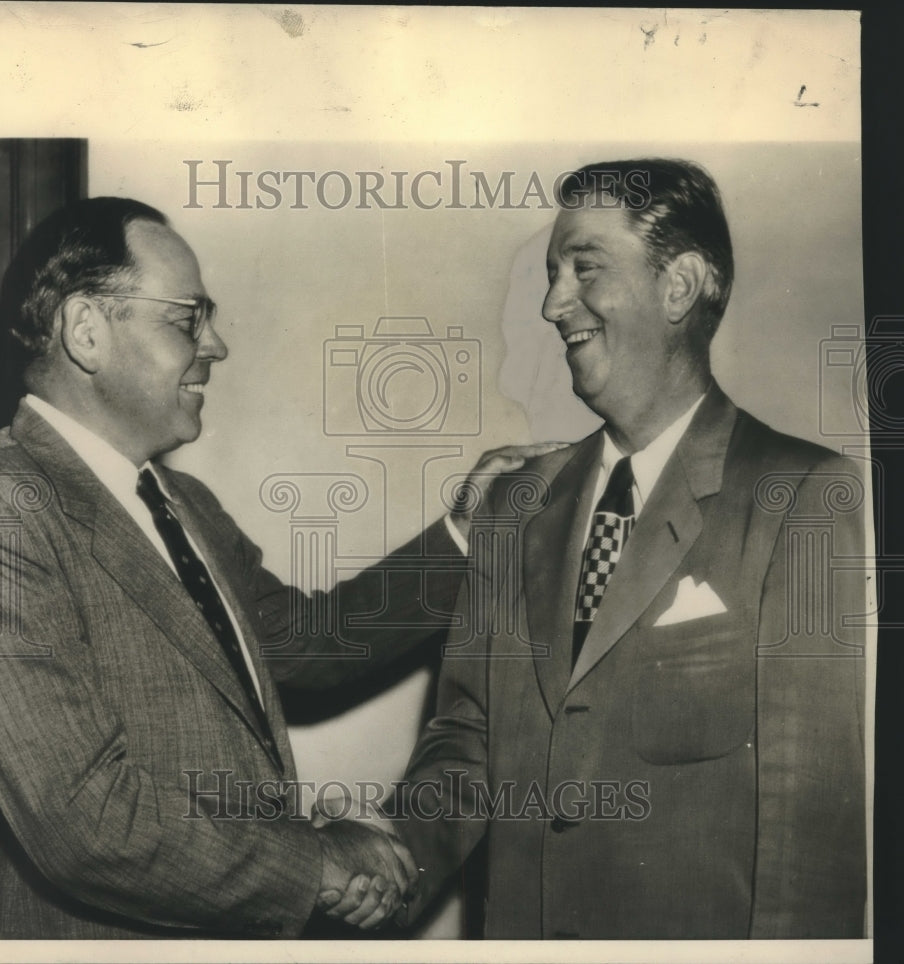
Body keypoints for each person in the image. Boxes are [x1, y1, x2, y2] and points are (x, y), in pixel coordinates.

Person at [0, 196, 556, 939]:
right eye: (186, 318)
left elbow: (306, 642)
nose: (216, 345)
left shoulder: (178, 500)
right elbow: (82, 818)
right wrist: (317, 863)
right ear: (86, 331)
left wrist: (464, 530)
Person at [334, 158, 868, 939]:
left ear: (680, 285)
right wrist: (389, 856)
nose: (554, 303)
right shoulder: (515, 504)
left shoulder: (805, 495)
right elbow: (469, 739)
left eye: (584, 268)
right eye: (552, 275)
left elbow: (810, 819)